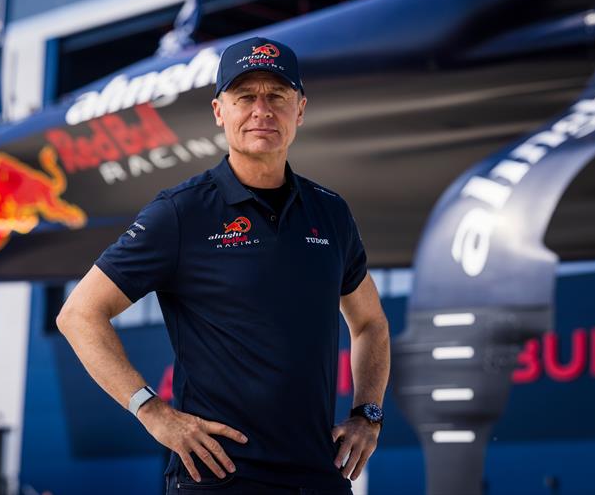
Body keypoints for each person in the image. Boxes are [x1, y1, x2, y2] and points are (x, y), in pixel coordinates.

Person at [56, 36, 390, 495]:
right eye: (244, 96)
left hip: (318, 475)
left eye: (276, 96)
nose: (261, 110)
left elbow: (370, 322)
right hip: (216, 480)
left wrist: (367, 414)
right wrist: (152, 412)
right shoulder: (180, 213)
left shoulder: (330, 213)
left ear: (301, 109)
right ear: (219, 111)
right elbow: (78, 314)